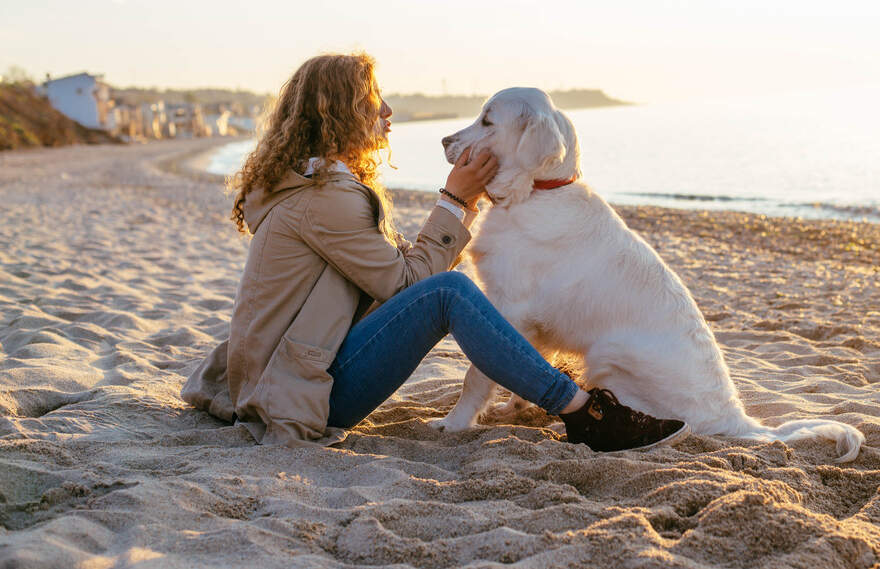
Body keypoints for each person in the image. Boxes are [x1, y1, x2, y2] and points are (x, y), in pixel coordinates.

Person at [181, 51, 687, 453]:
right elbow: (410, 286)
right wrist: (456, 199)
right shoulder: (326, 198)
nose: (386, 110)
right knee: (448, 293)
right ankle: (583, 412)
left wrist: (460, 204)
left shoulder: (312, 184)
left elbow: (396, 270)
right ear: (337, 113)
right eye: (371, 100)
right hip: (297, 394)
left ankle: (561, 397)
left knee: (448, 291)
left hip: (285, 374)